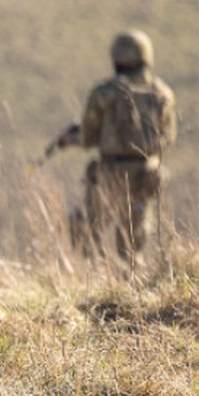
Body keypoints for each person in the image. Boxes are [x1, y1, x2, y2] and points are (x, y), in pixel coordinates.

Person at [49, 30, 176, 263]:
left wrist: (70, 140)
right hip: (145, 175)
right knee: (132, 244)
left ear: (116, 58)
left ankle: (93, 278)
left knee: (87, 228)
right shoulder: (163, 94)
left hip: (109, 174)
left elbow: (89, 137)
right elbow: (168, 137)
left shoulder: (104, 93)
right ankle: (130, 288)